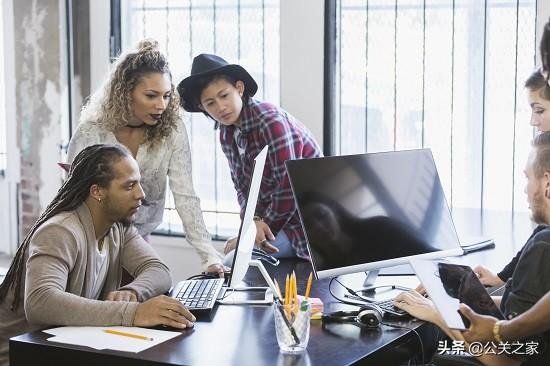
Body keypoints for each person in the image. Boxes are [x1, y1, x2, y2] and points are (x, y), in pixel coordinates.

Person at [0, 144, 195, 366]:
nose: (141, 194)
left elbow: (158, 270)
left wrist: (132, 291)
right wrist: (133, 312)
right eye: (129, 186)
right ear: (97, 192)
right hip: (21, 357)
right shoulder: (60, 231)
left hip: (63, 350)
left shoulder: (118, 227)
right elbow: (41, 302)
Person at [67, 39, 224, 277]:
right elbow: (71, 196)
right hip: (91, 241)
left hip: (137, 240)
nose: (161, 105)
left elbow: (186, 196)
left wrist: (208, 256)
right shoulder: (91, 131)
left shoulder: (172, 130)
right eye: (151, 96)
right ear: (125, 92)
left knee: (150, 290)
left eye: (167, 96)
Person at [394, 132, 550, 365]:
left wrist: (436, 314)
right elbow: (524, 311)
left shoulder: (543, 247)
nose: (524, 189)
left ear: (547, 184)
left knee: (414, 353)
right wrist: (458, 297)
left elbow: (506, 360)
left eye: (527, 178)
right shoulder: (543, 236)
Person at [177, 54, 322, 264]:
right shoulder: (226, 133)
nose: (220, 107)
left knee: (232, 261)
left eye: (224, 95)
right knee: (232, 255)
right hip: (279, 223)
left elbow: (289, 185)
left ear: (239, 88)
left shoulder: (269, 121)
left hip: (306, 226)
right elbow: (243, 189)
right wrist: (251, 224)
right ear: (202, 108)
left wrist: (256, 231)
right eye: (210, 103)